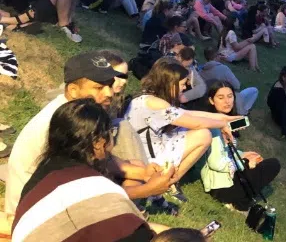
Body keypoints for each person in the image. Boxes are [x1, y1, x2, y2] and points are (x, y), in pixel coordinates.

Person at [5, 52, 173, 214]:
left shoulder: (76, 111)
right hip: (38, 209)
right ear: (73, 90)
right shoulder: (65, 125)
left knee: (135, 166)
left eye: (109, 85)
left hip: (58, 191)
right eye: (99, 87)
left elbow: (100, 160)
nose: (109, 93)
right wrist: (146, 190)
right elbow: (81, 194)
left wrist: (143, 173)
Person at [11, 99, 170, 242]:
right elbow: (137, 236)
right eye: (111, 133)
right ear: (98, 143)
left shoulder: (40, 177)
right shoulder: (95, 187)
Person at [126, 58, 241, 202]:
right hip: (146, 159)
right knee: (204, 135)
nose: (185, 88)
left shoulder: (151, 98)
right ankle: (168, 182)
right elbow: (196, 122)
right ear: (170, 83)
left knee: (194, 129)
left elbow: (189, 114)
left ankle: (169, 180)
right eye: (182, 84)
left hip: (145, 151)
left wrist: (224, 118)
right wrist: (221, 124)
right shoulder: (155, 103)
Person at [200, 81, 281, 212]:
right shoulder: (213, 127)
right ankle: (240, 202)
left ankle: (241, 199)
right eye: (221, 97)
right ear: (211, 100)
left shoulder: (225, 122)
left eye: (230, 96)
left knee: (258, 164)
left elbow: (226, 152)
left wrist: (244, 154)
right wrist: (242, 162)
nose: (227, 101)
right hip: (221, 187)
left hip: (226, 179)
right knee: (273, 165)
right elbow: (216, 163)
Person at [198, 47, 259, 115]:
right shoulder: (223, 68)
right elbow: (237, 85)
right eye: (220, 54)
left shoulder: (200, 71)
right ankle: (244, 112)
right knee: (254, 90)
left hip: (208, 102)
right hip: (224, 102)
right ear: (216, 56)